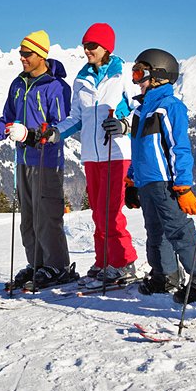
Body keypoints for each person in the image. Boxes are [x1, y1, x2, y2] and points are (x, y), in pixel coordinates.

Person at [0, 30, 75, 290]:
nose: (22, 58)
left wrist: (33, 135)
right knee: (28, 217)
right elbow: (7, 120)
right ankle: (37, 264)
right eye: (21, 53)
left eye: (27, 54)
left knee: (46, 216)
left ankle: (57, 266)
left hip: (47, 161)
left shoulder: (56, 87)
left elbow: (63, 125)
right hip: (23, 160)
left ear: (41, 55)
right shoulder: (18, 84)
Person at [126, 48, 196, 303]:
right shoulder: (140, 111)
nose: (136, 79)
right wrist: (131, 180)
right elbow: (137, 149)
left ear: (159, 76)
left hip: (165, 182)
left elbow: (179, 148)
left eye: (140, 73)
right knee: (154, 231)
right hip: (146, 182)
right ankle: (165, 275)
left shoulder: (170, 107)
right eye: (134, 73)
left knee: (180, 231)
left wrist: (182, 186)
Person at [54, 23, 138, 287]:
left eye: (92, 46)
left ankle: (124, 262)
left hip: (117, 151)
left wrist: (125, 124)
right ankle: (104, 261)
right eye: (85, 46)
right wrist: (55, 133)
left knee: (112, 212)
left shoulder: (123, 73)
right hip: (91, 154)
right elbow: (76, 118)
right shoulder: (81, 79)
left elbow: (140, 109)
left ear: (107, 48)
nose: (87, 50)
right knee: (98, 213)